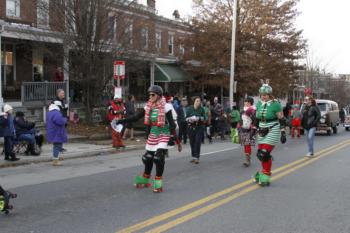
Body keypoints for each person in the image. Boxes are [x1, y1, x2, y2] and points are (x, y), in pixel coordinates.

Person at [117, 85, 182, 193]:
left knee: (158, 158)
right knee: (147, 157)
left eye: (153, 94)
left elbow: (172, 124)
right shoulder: (148, 106)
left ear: (159, 95)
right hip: (153, 133)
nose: (150, 96)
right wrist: (121, 121)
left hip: (164, 133)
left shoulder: (166, 107)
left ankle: (158, 183)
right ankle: (145, 179)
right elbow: (136, 117)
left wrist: (174, 138)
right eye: (149, 94)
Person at [254, 82, 287, 186]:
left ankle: (266, 176)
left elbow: (281, 119)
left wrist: (283, 133)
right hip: (262, 129)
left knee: (264, 153)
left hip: (273, 128)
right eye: (262, 95)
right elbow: (257, 118)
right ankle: (263, 172)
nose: (263, 97)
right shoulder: (259, 103)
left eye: (265, 95)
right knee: (260, 154)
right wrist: (253, 129)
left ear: (269, 95)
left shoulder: (275, 104)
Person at [46, 101, 68, 166]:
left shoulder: (50, 112)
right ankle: (55, 161)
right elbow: (60, 121)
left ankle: (56, 157)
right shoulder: (56, 113)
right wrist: (65, 119)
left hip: (52, 131)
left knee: (57, 145)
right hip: (57, 132)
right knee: (57, 145)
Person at [186, 97, 206, 164]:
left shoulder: (201, 109)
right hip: (191, 127)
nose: (198, 102)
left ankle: (197, 157)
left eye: (199, 101)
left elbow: (205, 118)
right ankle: (193, 157)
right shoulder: (189, 109)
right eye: (197, 101)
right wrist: (190, 119)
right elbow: (186, 118)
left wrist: (199, 118)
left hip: (199, 127)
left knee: (197, 142)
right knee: (192, 142)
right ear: (194, 101)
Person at [237, 97, 256, 167]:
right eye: (245, 102)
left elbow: (255, 120)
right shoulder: (243, 110)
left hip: (250, 129)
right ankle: (248, 159)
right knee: (245, 145)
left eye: (247, 102)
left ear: (250, 103)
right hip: (243, 128)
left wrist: (253, 128)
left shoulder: (253, 110)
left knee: (247, 144)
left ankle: (247, 160)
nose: (245, 103)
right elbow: (240, 119)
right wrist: (238, 126)